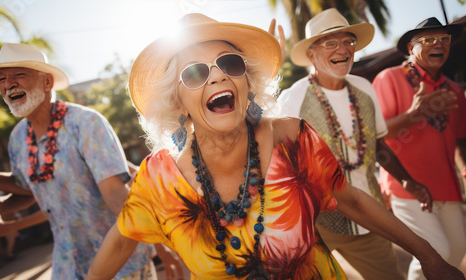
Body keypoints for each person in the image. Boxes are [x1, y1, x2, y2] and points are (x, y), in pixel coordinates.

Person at [84, 13, 465, 280]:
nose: (216, 74)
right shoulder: (159, 178)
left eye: (229, 63)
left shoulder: (290, 137)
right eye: (195, 72)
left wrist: (428, 256)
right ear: (176, 99)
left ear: (247, 82)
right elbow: (119, 243)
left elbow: (348, 199)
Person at [0, 43, 182, 280]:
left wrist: (160, 245)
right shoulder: (18, 138)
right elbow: (29, 189)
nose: (9, 84)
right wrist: (1, 205)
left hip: (121, 263)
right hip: (67, 265)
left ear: (47, 83)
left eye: (19, 75)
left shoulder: (86, 123)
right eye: (2, 79)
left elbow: (117, 198)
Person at [277, 8, 434, 280]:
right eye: (331, 43)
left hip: (369, 223)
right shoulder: (292, 99)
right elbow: (280, 165)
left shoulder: (364, 87)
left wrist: (408, 181)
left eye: (348, 41)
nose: (343, 49)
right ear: (311, 55)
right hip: (315, 227)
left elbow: (378, 146)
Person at [372, 17, 466, 280]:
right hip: (407, 185)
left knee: (457, 249)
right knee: (436, 252)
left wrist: (465, 170)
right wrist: (416, 113)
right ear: (411, 48)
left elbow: (459, 140)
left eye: (444, 39)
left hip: (448, 186)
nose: (439, 44)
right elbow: (377, 134)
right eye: (428, 40)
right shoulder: (388, 78)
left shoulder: (455, 90)